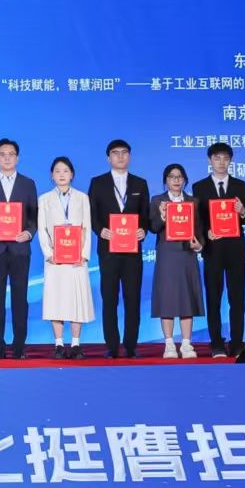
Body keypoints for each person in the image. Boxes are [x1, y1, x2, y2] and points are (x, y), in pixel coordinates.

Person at [87, 139, 150, 358]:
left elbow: (145, 215)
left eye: (124, 152)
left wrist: (143, 229)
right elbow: (91, 214)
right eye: (115, 153)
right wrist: (100, 230)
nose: (120, 156)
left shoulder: (140, 183)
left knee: (133, 298)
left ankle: (131, 345)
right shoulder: (98, 183)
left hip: (133, 251)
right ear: (108, 158)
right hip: (108, 249)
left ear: (129, 156)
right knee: (110, 298)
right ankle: (112, 346)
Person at [0, 137, 36, 359]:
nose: (7, 158)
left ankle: (19, 346)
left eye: (11, 154)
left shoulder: (28, 183)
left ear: (17, 158)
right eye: (2, 154)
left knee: (20, 299)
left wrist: (28, 233)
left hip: (20, 249)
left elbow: (34, 216)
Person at [192, 142, 245, 356]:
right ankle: (216, 342)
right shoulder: (199, 187)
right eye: (217, 158)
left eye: (225, 158)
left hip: (236, 249)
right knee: (214, 297)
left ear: (230, 160)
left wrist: (242, 211)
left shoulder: (240, 185)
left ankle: (237, 342)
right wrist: (205, 233)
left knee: (237, 298)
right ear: (210, 161)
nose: (221, 162)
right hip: (213, 249)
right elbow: (197, 218)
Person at [37, 156, 94, 358]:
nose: (62, 175)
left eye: (66, 171)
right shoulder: (44, 199)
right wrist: (49, 254)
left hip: (77, 259)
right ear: (52, 175)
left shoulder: (82, 198)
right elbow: (42, 230)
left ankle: (76, 343)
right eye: (57, 171)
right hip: (55, 259)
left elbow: (87, 227)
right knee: (57, 299)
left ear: (72, 175)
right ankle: (59, 344)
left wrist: (84, 255)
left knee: (77, 299)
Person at [150, 164, 205, 358]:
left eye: (180, 177)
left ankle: (187, 344)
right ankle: (169, 344)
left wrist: (199, 244)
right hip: (167, 254)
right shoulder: (157, 200)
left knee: (186, 298)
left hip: (187, 254)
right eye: (172, 177)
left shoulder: (193, 202)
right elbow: (153, 227)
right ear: (166, 180)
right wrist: (163, 215)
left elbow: (199, 229)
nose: (176, 180)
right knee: (167, 298)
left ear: (185, 180)